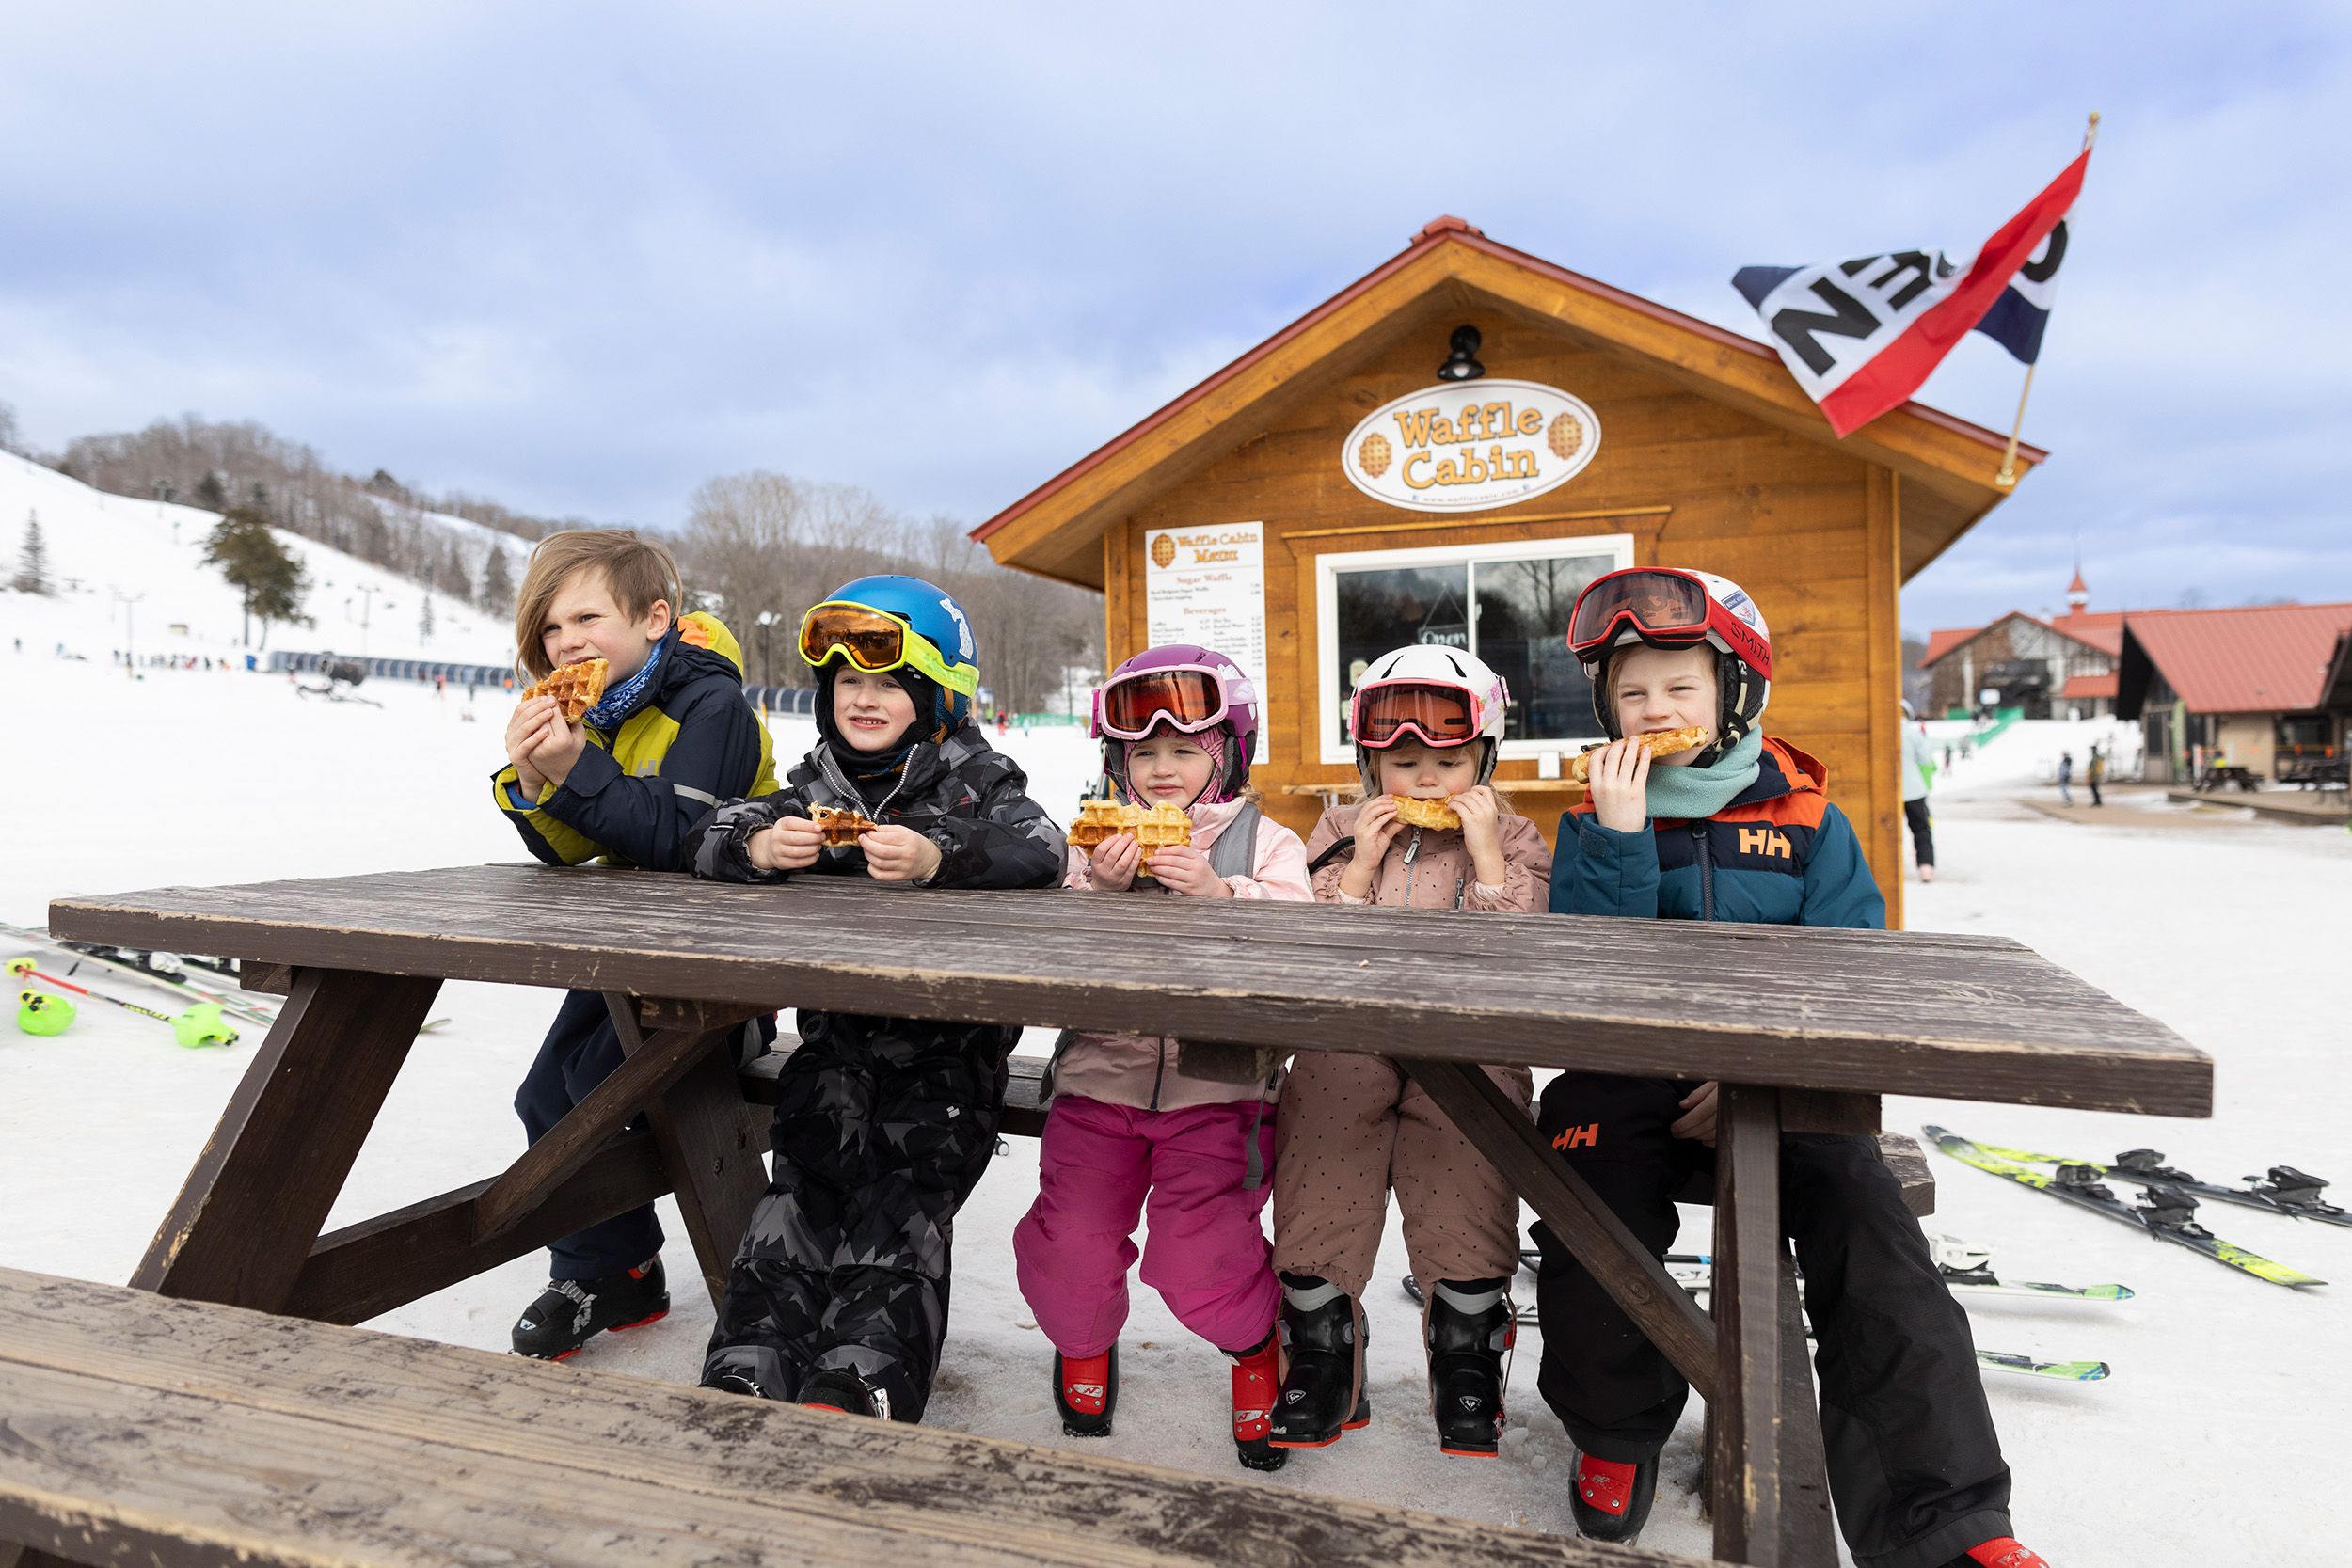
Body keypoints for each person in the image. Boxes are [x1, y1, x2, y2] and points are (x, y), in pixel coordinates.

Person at [1534, 566, 2042, 1568]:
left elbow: (1853, 973)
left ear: (1736, 692)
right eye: (1630, 692)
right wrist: (1622, 838)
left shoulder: (1809, 816)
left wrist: (1766, 1073)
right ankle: (1617, 1433)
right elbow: (1583, 977)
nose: (1653, 710)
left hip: (1784, 1073)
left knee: (1868, 1214)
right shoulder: (1595, 813)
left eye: (1679, 687)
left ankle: (1946, 1520)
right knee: (1582, 1183)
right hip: (1629, 1066)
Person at [691, 575, 1064, 1421]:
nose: (864, 698)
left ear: (936, 695)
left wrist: (940, 854)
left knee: (902, 1198)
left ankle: (867, 1370)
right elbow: (704, 834)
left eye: (889, 683)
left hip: (949, 1051)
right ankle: (753, 1354)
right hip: (836, 1042)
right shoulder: (814, 790)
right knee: (803, 1185)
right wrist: (756, 842)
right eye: (848, 683)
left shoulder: (979, 785)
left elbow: (1041, 847)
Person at [1013, 644, 1310, 1470]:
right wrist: (1096, 901)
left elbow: (1304, 937)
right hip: (1099, 1079)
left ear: (1227, 753)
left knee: (1199, 1255)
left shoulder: (1265, 841)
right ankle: (1082, 1342)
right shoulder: (1091, 841)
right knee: (1069, 1241)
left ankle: (1255, 1346)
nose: (1163, 767)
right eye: (1144, 752)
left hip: (1221, 1089)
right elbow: (1044, 955)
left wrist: (1225, 896)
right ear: (1119, 761)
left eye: (1186, 749)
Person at [492, 529, 778, 1361]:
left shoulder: (712, 706)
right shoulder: (600, 706)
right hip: (629, 954)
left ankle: (686, 1260)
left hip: (726, 964)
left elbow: (683, 833)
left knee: (598, 1088)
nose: (566, 641)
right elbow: (568, 849)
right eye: (549, 628)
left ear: (655, 619)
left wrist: (579, 768)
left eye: (587, 616)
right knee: (546, 1094)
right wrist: (534, 783)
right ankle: (616, 1268)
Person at [1268, 645, 1552, 1460]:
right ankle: (1321, 1346)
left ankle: (1466, 1351)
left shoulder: (1519, 835)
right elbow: (1307, 940)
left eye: (1449, 762)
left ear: (1484, 760)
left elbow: (1527, 953)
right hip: (1351, 1033)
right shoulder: (1334, 828)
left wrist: (1490, 853)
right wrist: (1359, 859)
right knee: (1321, 1128)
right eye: (1404, 763)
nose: (1427, 780)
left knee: (1468, 1168)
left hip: (1471, 1043)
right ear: (1369, 763)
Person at [1900, 700, 1936, 882]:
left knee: (1888, 828)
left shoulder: (1883, 731)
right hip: (1913, 789)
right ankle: (1926, 867)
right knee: (1921, 829)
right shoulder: (1912, 733)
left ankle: (1892, 865)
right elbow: (1925, 759)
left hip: (1889, 790)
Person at [2088, 743, 2106, 807]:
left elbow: (2094, 769)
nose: (2091, 751)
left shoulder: (2096, 757)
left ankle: (2097, 802)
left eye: (2092, 749)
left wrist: (2092, 777)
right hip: (2095, 776)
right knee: (2095, 789)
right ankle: (2097, 801)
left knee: (2094, 789)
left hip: (2095, 776)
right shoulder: (2096, 757)